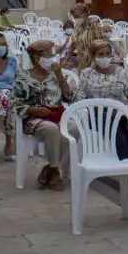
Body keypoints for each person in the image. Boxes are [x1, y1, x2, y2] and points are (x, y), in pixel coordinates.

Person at [12, 40, 75, 190]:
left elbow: (70, 97)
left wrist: (60, 75)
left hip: (56, 116)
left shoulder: (55, 75)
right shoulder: (23, 77)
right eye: (48, 54)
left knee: (74, 130)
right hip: (34, 119)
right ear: (35, 57)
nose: (52, 57)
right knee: (52, 129)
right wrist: (33, 111)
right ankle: (54, 171)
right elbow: (13, 102)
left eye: (52, 54)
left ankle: (50, 169)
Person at [77, 40, 128, 159]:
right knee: (115, 130)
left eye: (107, 54)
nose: (105, 57)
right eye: (100, 54)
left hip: (121, 111)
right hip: (97, 113)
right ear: (93, 56)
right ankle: (122, 163)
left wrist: (122, 106)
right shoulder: (87, 74)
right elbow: (79, 100)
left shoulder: (120, 72)